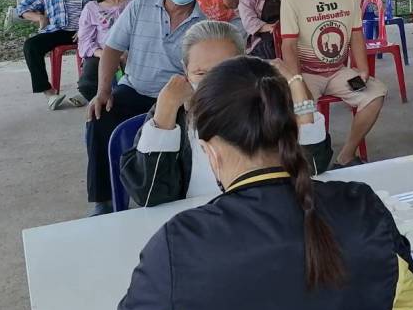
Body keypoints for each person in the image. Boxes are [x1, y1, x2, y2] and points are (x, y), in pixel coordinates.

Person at [101, 56, 413, 310]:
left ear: (210, 151)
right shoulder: (361, 205)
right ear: (294, 128)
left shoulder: (179, 246)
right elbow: (404, 305)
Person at [120, 21, 334, 206]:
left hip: (264, 215)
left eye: (224, 71)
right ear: (185, 70)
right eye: (200, 73)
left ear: (244, 64)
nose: (213, 84)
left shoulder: (265, 103)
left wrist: (296, 87)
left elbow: (314, 166)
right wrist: (164, 112)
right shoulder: (173, 114)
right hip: (198, 224)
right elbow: (150, 195)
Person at [85, 0, 207, 216]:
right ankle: (104, 200)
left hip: (175, 97)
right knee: (99, 116)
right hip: (134, 89)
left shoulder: (203, 25)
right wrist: (103, 91)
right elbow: (112, 48)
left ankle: (166, 197)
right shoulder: (140, 5)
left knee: (189, 136)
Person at [280, 0, 387, 169]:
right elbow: (288, 45)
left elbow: (356, 34)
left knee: (375, 94)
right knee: (300, 110)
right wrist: (297, 83)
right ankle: (307, 167)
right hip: (306, 73)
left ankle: (346, 155)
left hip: (338, 71)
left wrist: (362, 69)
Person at [17, 0, 92, 109]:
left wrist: (86, 28)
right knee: (31, 46)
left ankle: (87, 92)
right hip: (58, 31)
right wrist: (39, 17)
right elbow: (21, 8)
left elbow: (103, 8)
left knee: (99, 49)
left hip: (86, 31)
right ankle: (49, 93)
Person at [76, 0, 131, 103]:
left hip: (134, 52)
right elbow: (85, 41)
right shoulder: (91, 8)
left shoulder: (135, 2)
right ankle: (103, 105)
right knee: (87, 84)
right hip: (101, 52)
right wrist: (106, 55)